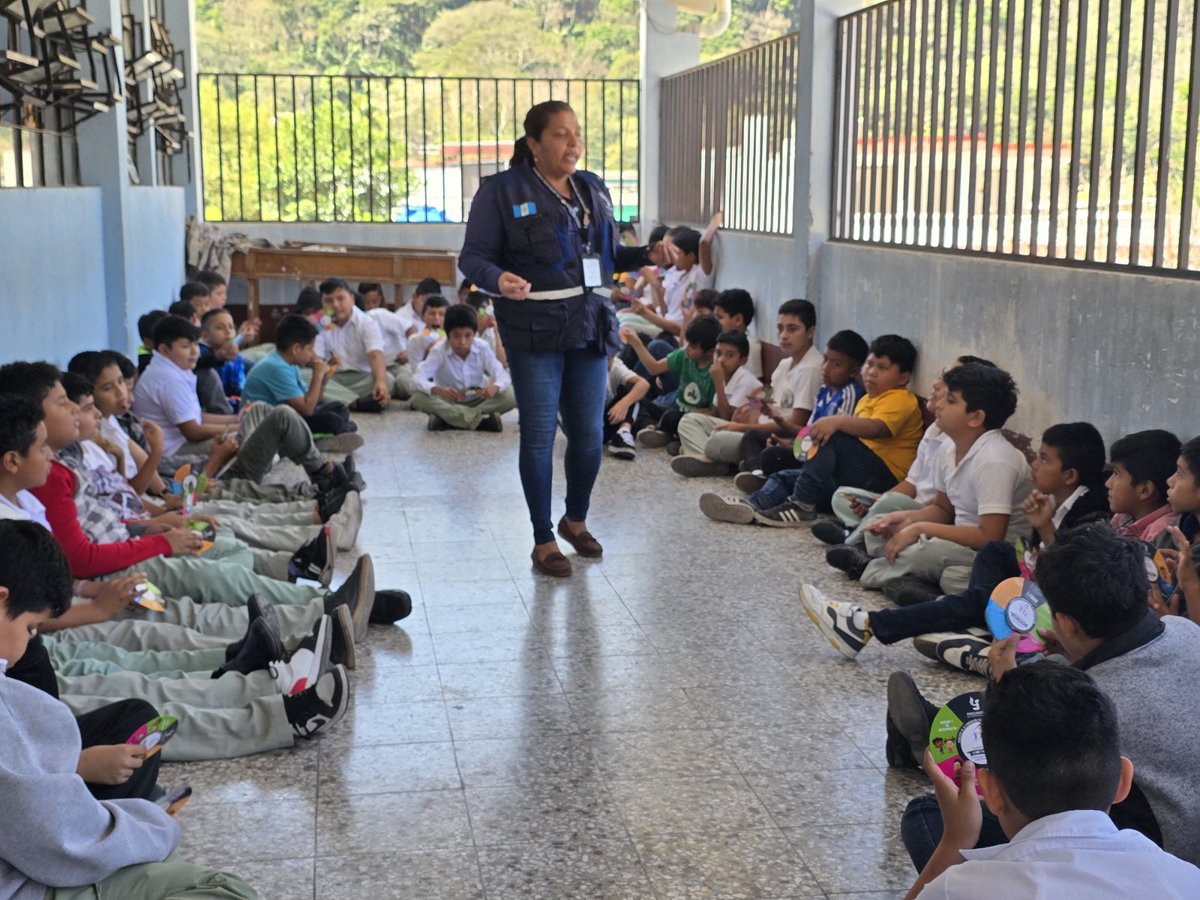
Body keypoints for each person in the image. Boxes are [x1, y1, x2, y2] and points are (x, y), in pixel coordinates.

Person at [894, 525, 1200, 871]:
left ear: (1066, 623)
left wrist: (1006, 681)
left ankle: (938, 743)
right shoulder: (1185, 631)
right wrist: (1073, 656)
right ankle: (931, 735)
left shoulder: (1090, 699)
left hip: (1152, 855)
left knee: (926, 815)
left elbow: (1028, 770)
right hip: (1180, 850)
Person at [0, 521, 261, 900]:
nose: (28, 642)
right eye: (31, 628)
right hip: (34, 870)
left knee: (137, 704)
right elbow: (59, 837)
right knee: (222, 891)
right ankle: (277, 704)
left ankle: (253, 673)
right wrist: (150, 825)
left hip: (38, 841)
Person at [458, 99, 649, 577]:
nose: (573, 142)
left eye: (577, 133)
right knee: (540, 434)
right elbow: (474, 257)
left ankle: (574, 518)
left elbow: (608, 257)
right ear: (534, 144)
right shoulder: (501, 192)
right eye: (561, 134)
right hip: (534, 331)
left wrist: (650, 253)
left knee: (588, 435)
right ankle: (543, 538)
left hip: (588, 325)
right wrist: (498, 279)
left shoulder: (592, 189)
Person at [801, 422, 1111, 664]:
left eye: (1043, 459)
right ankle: (978, 622)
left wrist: (1043, 528)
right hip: (1033, 582)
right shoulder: (1054, 499)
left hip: (1060, 608)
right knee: (993, 556)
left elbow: (1071, 579)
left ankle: (865, 624)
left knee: (967, 586)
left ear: (1070, 475)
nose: (1035, 465)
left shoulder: (1091, 512)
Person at [903, 661, 1200, 898]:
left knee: (922, 813)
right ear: (1123, 781)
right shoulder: (1187, 881)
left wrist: (955, 840)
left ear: (990, 792)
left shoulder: (959, 888)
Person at [834, 363, 1031, 595]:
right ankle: (911, 580)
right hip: (961, 541)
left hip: (994, 557)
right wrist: (906, 519)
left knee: (931, 553)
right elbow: (942, 509)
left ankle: (867, 568)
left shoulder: (994, 460)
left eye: (950, 400)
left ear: (976, 417)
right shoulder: (948, 447)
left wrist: (919, 529)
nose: (938, 404)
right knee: (885, 525)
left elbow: (990, 537)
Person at [701, 334, 922, 525]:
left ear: (903, 377)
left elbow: (877, 429)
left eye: (882, 368)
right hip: (853, 477)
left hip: (884, 479)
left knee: (832, 434)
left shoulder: (900, 399)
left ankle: (801, 505)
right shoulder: (865, 399)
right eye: (870, 364)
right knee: (785, 476)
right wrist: (796, 446)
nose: (872, 372)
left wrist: (836, 421)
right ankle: (750, 505)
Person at [132, 317, 347, 490]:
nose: (195, 351)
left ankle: (306, 461)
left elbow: (197, 416)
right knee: (281, 416)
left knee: (263, 410)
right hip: (179, 450)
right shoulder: (167, 378)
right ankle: (319, 471)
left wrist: (235, 418)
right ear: (164, 350)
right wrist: (238, 426)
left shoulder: (173, 370)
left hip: (186, 441)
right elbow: (193, 431)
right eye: (186, 346)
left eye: (195, 345)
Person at [734, 299, 824, 473]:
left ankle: (756, 471)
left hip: (781, 436)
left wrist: (744, 426)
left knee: (727, 440)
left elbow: (797, 423)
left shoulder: (811, 368)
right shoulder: (785, 363)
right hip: (760, 427)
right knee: (721, 432)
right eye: (780, 328)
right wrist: (750, 407)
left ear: (810, 332)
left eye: (792, 329)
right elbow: (769, 395)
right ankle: (754, 465)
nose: (783, 335)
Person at [242, 313, 359, 441]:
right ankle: (331, 434)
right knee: (331, 421)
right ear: (296, 348)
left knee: (339, 407)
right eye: (310, 349)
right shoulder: (276, 367)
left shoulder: (290, 364)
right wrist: (317, 374)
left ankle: (337, 432)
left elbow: (313, 403)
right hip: (269, 426)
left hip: (291, 416)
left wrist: (323, 380)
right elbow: (307, 410)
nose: (311, 355)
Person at [670, 329, 764, 477]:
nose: (721, 360)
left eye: (730, 355)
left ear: (742, 360)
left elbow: (727, 417)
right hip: (723, 427)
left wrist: (718, 383)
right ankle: (706, 459)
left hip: (739, 433)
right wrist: (692, 415)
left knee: (713, 439)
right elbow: (715, 412)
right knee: (687, 421)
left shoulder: (745, 381)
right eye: (718, 353)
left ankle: (702, 457)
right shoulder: (725, 376)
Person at [411, 303, 516, 432]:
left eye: (467, 335)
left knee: (512, 395)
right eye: (456, 336)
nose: (462, 342)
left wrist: (495, 387)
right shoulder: (438, 351)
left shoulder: (482, 347)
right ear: (447, 334)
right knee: (418, 398)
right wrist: (437, 390)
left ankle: (449, 420)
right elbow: (416, 379)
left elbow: (503, 375)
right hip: (449, 401)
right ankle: (481, 422)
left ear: (474, 334)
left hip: (478, 400)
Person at [623, 315, 721, 449]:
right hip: (677, 407)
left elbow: (714, 411)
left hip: (691, 418)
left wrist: (690, 415)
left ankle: (664, 432)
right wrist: (636, 343)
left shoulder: (714, 372)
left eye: (692, 346)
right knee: (635, 397)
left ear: (710, 352)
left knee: (672, 417)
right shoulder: (684, 355)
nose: (686, 349)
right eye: (687, 343)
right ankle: (651, 427)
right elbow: (654, 368)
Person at [315, 277, 395, 411]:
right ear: (322, 304)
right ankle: (355, 403)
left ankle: (337, 400)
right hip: (332, 377)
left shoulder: (366, 323)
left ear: (352, 299)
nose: (335, 305)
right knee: (303, 376)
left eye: (340, 299)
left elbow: (375, 354)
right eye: (328, 301)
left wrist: (380, 382)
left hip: (361, 378)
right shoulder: (320, 322)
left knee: (389, 380)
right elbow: (316, 358)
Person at [1105, 429, 1180, 542]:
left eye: (1116, 474)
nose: (1108, 483)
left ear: (1144, 490)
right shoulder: (1124, 516)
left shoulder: (1160, 533)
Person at [602, 353, 649, 460]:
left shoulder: (615, 365)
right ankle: (650, 424)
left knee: (633, 391)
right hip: (584, 426)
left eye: (610, 358)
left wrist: (623, 404)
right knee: (640, 402)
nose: (609, 363)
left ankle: (623, 432)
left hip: (608, 420)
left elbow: (643, 384)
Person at [712, 288, 761, 378]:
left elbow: (754, 385)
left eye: (719, 317)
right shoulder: (719, 342)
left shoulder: (751, 346)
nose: (715, 322)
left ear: (738, 319)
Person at [405, 294, 449, 370]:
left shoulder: (453, 340)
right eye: (432, 313)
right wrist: (428, 354)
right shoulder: (415, 340)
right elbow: (417, 373)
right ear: (422, 317)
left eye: (441, 314)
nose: (436, 318)